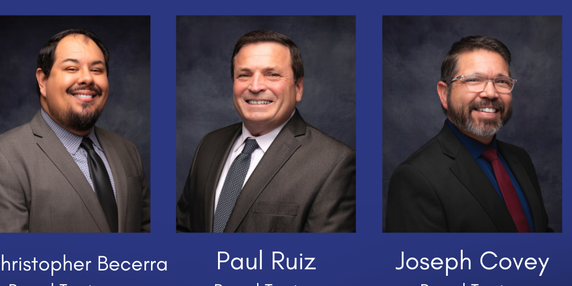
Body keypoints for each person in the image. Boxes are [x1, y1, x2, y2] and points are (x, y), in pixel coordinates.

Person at [0, 29, 150, 233]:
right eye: (72, 68)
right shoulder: (1, 158)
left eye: (97, 70)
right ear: (43, 81)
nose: (87, 79)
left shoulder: (128, 151)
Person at [176, 30, 356, 233]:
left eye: (272, 75)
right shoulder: (209, 145)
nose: (255, 86)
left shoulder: (334, 163)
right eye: (244, 75)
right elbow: (183, 229)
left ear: (298, 87)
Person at [386, 36, 550, 232]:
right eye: (473, 80)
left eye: (501, 81)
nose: (491, 93)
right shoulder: (415, 177)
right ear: (444, 94)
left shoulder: (520, 159)